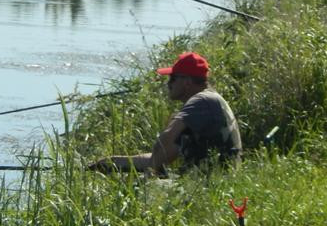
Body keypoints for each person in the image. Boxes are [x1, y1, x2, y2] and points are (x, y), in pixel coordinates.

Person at [88, 52, 242, 176]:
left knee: (133, 188)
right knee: (124, 173)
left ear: (187, 82)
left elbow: (164, 143)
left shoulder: (200, 101)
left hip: (208, 186)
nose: (168, 84)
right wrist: (113, 162)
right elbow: (162, 156)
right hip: (214, 180)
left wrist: (148, 176)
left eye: (173, 78)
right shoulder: (207, 100)